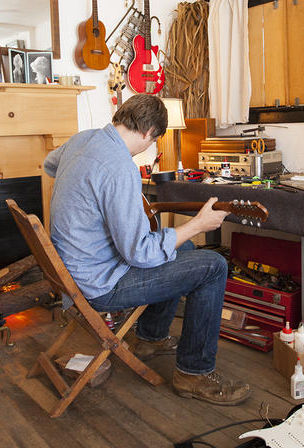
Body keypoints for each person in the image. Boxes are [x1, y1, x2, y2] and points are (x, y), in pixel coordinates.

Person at [43, 94, 251, 405]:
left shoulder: (82, 139)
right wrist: (198, 223)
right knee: (212, 266)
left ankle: (150, 338)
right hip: (97, 285)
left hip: (72, 271)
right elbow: (139, 253)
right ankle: (193, 374)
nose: (148, 148)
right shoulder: (120, 167)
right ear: (147, 133)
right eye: (153, 142)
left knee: (187, 249)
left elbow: (49, 164)